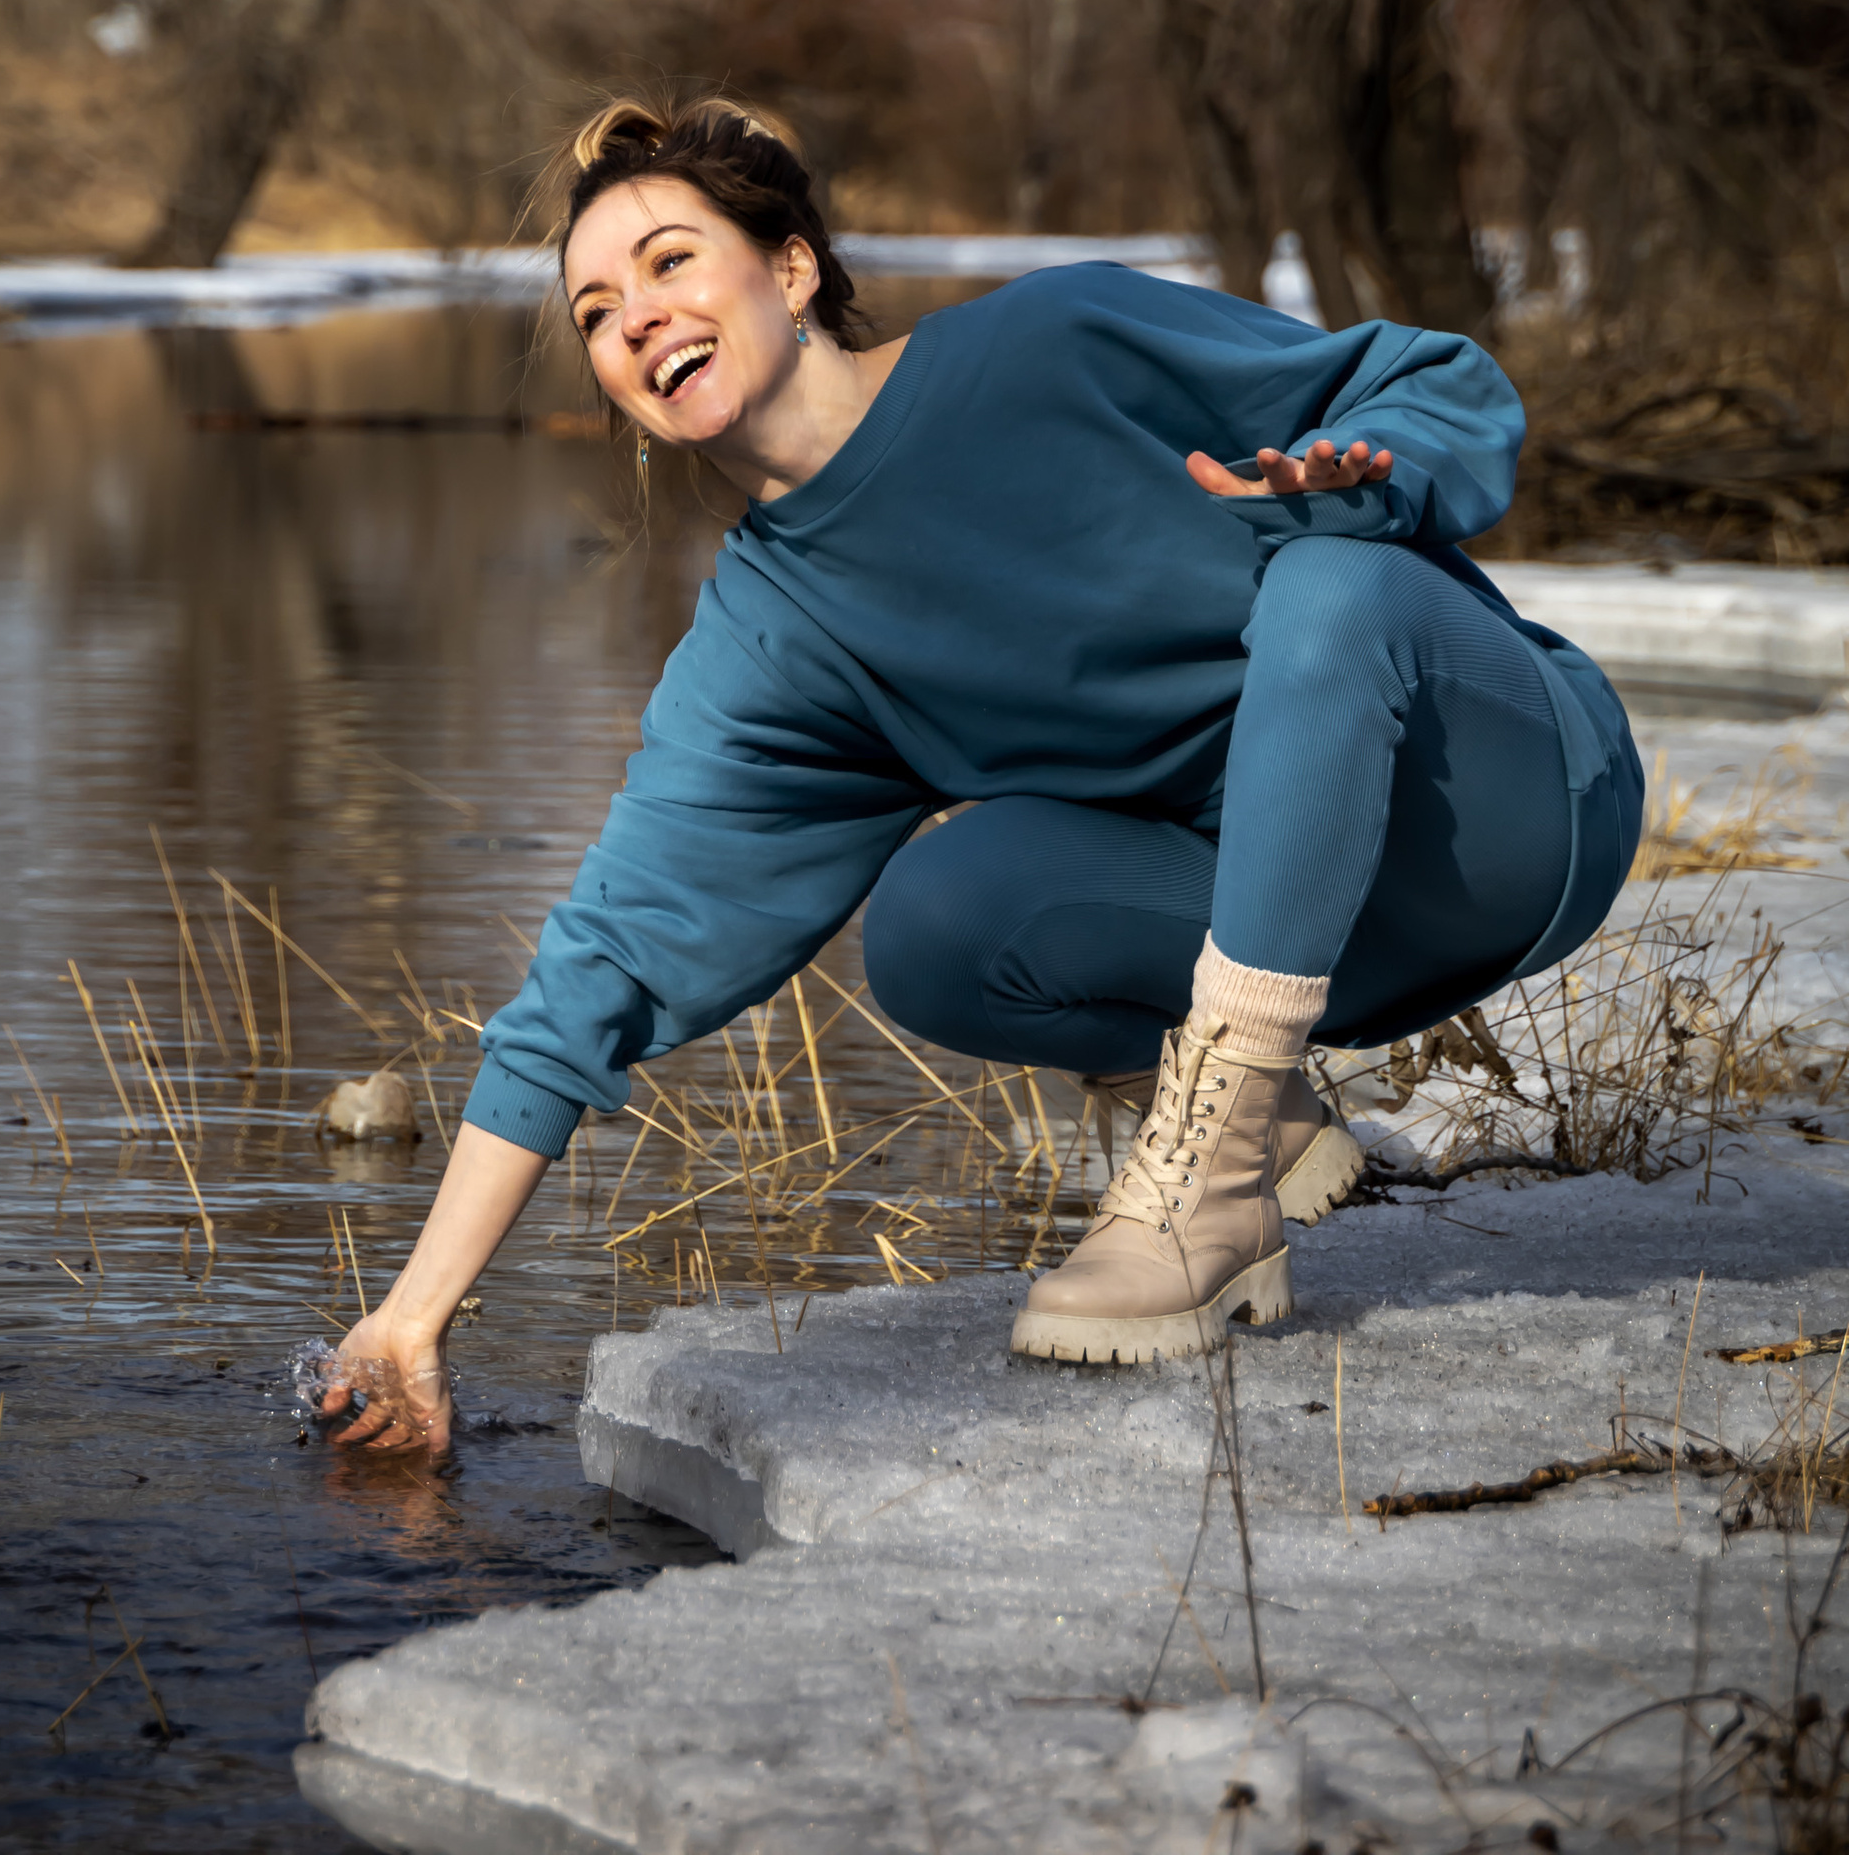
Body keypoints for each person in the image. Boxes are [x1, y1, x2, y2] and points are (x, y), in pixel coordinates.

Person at [318, 97, 1641, 1452]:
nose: (634, 319)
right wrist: (411, 1323)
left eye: (667, 263)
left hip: (1505, 813)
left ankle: (1204, 1172)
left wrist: (1368, 478)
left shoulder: (1055, 344)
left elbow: (1446, 384)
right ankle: (1259, 1124)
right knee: (942, 925)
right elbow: (605, 964)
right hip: (1320, 941)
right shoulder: (776, 645)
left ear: (790, 269)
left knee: (1332, 592)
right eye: (595, 312)